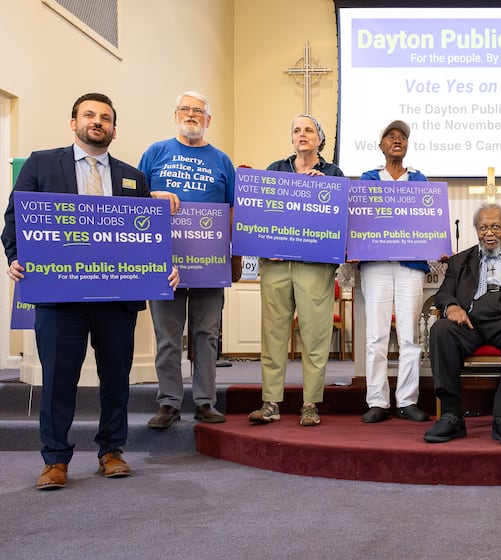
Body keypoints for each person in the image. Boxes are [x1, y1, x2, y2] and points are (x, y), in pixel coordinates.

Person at [2, 93, 180, 490]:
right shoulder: (41, 163)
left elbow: (146, 235)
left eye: (105, 118)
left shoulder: (134, 176)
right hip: (59, 296)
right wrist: (16, 257)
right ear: (73, 123)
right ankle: (55, 460)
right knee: (58, 380)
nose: (97, 122)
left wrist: (164, 265)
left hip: (117, 299)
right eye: (89, 115)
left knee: (116, 378)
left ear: (114, 129)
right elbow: (15, 218)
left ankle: (111, 451)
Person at [141, 91, 236, 430]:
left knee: (207, 334)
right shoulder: (155, 153)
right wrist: (153, 195)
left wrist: (233, 258)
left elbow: (233, 211)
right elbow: (135, 200)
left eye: (199, 111)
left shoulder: (222, 160)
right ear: (175, 114)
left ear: (208, 120)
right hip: (164, 261)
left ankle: (204, 402)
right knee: (167, 335)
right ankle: (168, 402)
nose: (192, 114)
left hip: (209, 263)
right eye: (186, 109)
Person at [423, 204, 501, 446]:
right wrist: (452, 307)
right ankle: (451, 415)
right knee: (441, 329)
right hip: (470, 323)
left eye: (495, 227)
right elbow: (444, 293)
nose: (489, 233)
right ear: (477, 231)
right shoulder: (460, 261)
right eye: (483, 228)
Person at [247, 114, 342, 427]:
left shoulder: (332, 173)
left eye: (309, 130)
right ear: (292, 138)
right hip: (276, 264)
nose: (302, 135)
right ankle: (271, 402)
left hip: (314, 265)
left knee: (315, 333)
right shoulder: (275, 169)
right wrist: (264, 245)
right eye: (297, 130)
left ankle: (310, 403)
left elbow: (338, 220)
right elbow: (259, 215)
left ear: (319, 138)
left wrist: (322, 188)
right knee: (273, 331)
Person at [356, 120, 430, 424]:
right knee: (376, 334)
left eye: (402, 137)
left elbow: (428, 220)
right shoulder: (368, 178)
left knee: (410, 335)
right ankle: (377, 400)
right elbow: (359, 218)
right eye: (390, 136)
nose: (397, 140)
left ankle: (407, 400)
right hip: (376, 265)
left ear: (407, 146)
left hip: (410, 265)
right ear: (381, 145)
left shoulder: (420, 179)